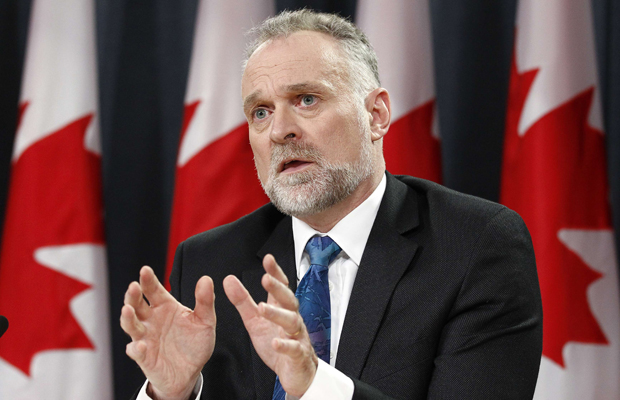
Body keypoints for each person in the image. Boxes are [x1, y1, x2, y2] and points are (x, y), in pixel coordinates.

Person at [121, 9, 543, 400]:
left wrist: (314, 385)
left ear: (376, 115)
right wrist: (173, 393)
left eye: (306, 99)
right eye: (261, 112)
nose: (280, 131)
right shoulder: (210, 264)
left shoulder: (475, 246)